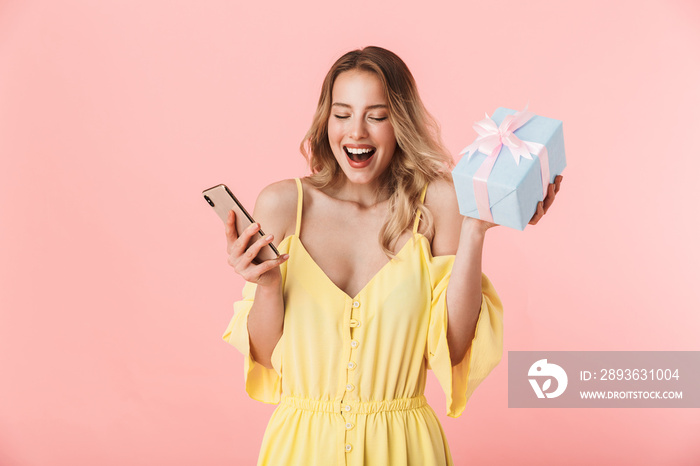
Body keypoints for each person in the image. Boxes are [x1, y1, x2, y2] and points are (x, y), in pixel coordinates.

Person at [222, 46, 562, 466]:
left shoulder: (438, 203)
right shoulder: (282, 205)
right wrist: (268, 287)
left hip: (403, 450)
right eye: (342, 114)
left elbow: (454, 348)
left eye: (377, 116)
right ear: (326, 120)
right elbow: (264, 353)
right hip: (301, 448)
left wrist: (475, 231)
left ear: (399, 122)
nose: (356, 132)